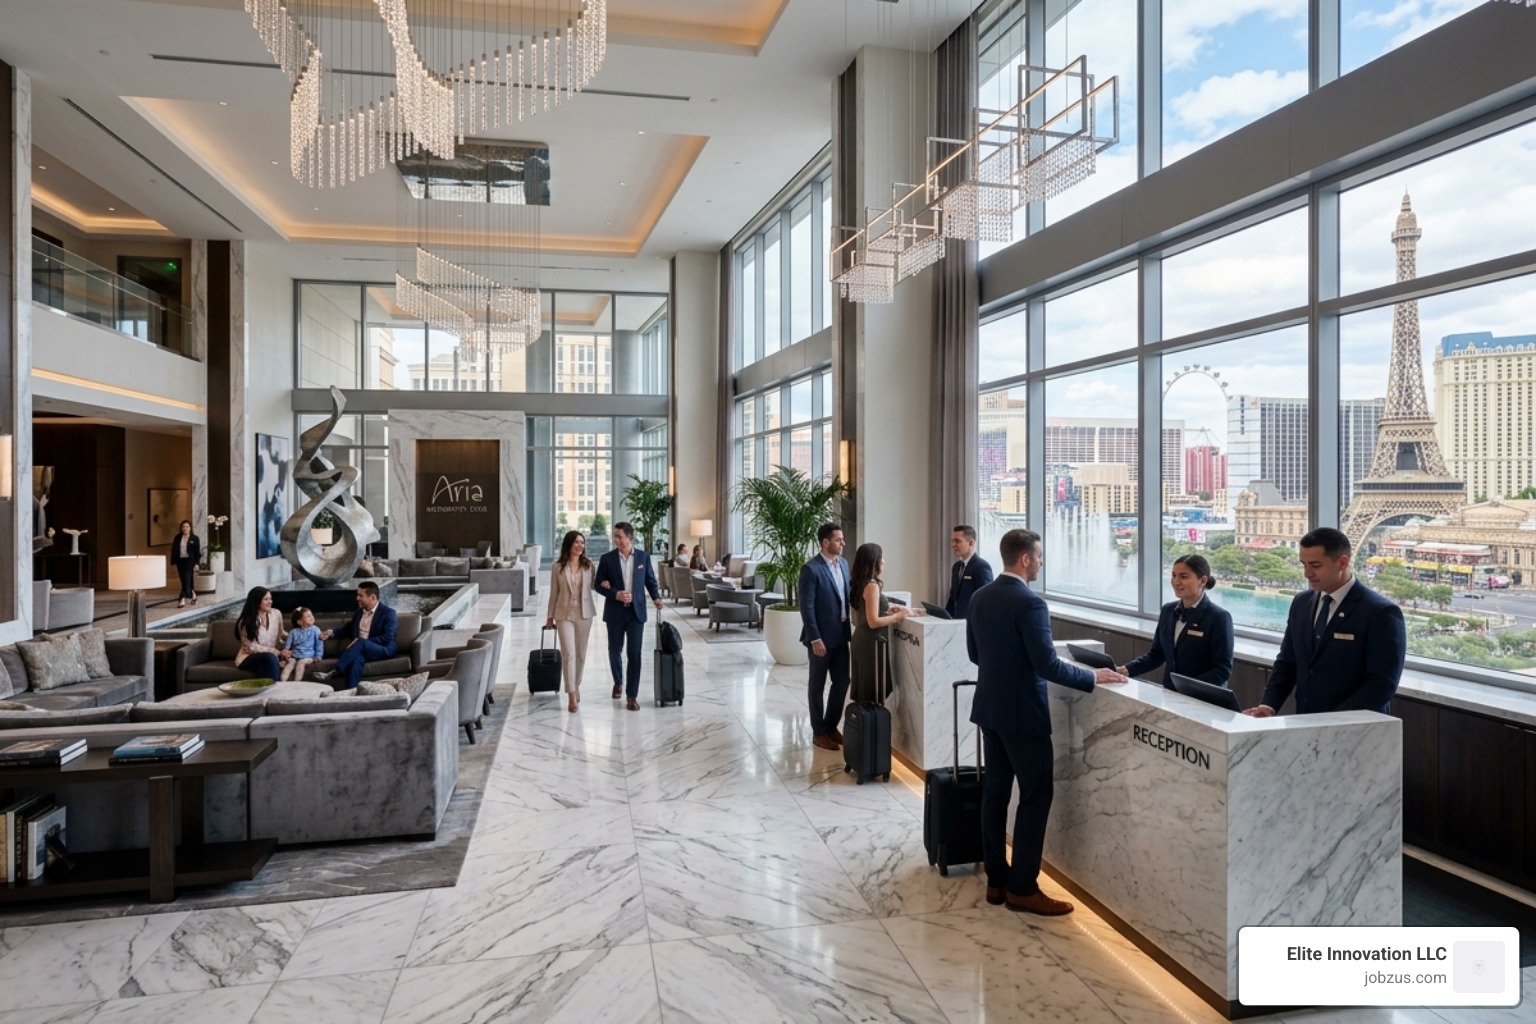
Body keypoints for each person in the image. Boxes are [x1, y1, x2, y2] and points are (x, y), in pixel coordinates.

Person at [967, 528, 1127, 915]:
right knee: (1036, 796)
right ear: (1024, 559)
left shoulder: (980, 596)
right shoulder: (1030, 603)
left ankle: (996, 881)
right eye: (1038, 557)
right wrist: (1091, 677)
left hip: (990, 709)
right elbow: (1046, 665)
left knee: (996, 794)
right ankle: (1022, 888)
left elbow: (975, 654)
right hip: (1023, 716)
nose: (1041, 563)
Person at [1244, 527, 1406, 718]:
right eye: (1303, 564)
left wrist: (1330, 721)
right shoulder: (1301, 603)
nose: (1307, 573)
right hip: (1306, 723)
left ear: (1342, 562)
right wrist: (1269, 705)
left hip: (1358, 731)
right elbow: (1287, 662)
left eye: (1315, 565)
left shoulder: (1380, 612)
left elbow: (1381, 684)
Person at [1118, 554, 1234, 687]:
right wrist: (1127, 670)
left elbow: (1222, 670)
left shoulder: (1219, 617)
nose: (1176, 582)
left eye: (1183, 577)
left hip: (1204, 699)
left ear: (1202, 581)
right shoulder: (1168, 610)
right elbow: (1156, 654)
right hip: (1170, 694)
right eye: (1174, 575)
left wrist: (1187, 688)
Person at [594, 522, 664, 711]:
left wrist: (656, 598)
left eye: (619, 537)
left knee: (635, 654)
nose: (616, 540)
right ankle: (618, 681)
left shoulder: (643, 557)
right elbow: (598, 584)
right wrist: (615, 593)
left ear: (630, 538)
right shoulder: (607, 559)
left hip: (636, 613)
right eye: (614, 536)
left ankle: (632, 696)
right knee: (614, 650)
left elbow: (650, 580)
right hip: (615, 612)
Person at [798, 522, 853, 751]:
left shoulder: (844, 564)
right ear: (826, 542)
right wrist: (815, 639)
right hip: (820, 639)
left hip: (841, 635)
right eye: (839, 540)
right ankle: (818, 732)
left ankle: (831, 726)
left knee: (842, 682)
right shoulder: (810, 569)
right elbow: (806, 607)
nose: (843, 543)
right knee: (817, 686)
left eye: (842, 539)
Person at [849, 542, 918, 704]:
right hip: (871, 643)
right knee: (873, 691)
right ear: (873, 561)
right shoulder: (871, 586)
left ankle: (867, 727)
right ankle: (872, 727)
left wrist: (888, 611)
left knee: (866, 691)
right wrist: (900, 615)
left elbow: (870, 614)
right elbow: (873, 622)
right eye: (881, 557)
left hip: (863, 639)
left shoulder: (862, 583)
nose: (884, 561)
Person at [546, 529, 597, 713]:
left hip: (585, 614)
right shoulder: (557, 567)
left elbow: (595, 586)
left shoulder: (589, 566)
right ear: (569, 544)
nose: (580, 546)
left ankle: (576, 685)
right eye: (577, 542)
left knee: (581, 654)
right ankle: (572, 695)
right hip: (563, 614)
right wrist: (549, 617)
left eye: (582, 543)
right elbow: (554, 593)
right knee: (568, 653)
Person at [317, 581, 399, 689]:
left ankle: (334, 671)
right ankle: (352, 694)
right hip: (361, 650)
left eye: (361, 595)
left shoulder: (388, 613)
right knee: (356, 660)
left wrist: (362, 642)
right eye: (357, 595)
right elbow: (347, 629)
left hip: (383, 648)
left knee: (360, 642)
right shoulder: (358, 613)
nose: (357, 598)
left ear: (372, 598)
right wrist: (331, 633)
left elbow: (387, 637)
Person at [235, 586, 287, 682]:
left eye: (270, 598)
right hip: (248, 657)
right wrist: (274, 651)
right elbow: (250, 647)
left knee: (265, 666)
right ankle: (277, 688)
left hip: (271, 656)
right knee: (269, 658)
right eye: (266, 599)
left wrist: (294, 640)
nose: (270, 602)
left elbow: (281, 634)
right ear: (257, 601)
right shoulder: (246, 621)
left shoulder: (276, 614)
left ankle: (262, 692)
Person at [945, 524, 994, 619]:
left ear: (971, 543)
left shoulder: (981, 567)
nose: (953, 545)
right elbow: (953, 598)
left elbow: (985, 601)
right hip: (956, 624)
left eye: (957, 541)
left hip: (973, 624)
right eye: (952, 541)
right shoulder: (956, 567)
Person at [281, 606, 323, 682]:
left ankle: (297, 682)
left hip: (308, 656)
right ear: (300, 622)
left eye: (312, 615)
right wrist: (286, 654)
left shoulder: (316, 630)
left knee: (301, 663)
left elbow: (319, 644)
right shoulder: (293, 632)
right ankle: (283, 681)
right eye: (308, 616)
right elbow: (287, 646)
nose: (311, 617)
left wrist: (318, 656)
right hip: (295, 655)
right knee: (290, 663)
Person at [170, 519, 202, 608]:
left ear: (190, 528)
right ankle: (194, 595)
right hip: (180, 561)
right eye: (183, 527)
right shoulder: (177, 537)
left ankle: (182, 598)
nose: (185, 528)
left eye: (187, 527)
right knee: (185, 579)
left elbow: (197, 553)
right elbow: (174, 549)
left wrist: (197, 564)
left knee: (186, 580)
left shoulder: (195, 538)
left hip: (190, 561)